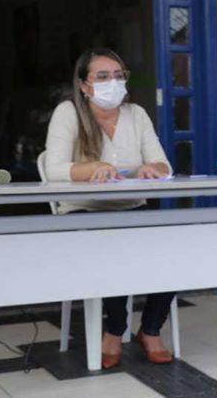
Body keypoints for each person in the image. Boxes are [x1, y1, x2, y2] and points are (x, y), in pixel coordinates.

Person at [44, 48, 175, 370]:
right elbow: (54, 169)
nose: (112, 83)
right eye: (102, 76)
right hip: (83, 211)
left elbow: (163, 164)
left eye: (118, 76)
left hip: (131, 207)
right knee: (115, 249)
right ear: (84, 85)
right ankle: (114, 330)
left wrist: (152, 169)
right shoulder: (68, 113)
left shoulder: (136, 114)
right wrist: (91, 168)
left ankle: (150, 329)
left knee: (175, 250)